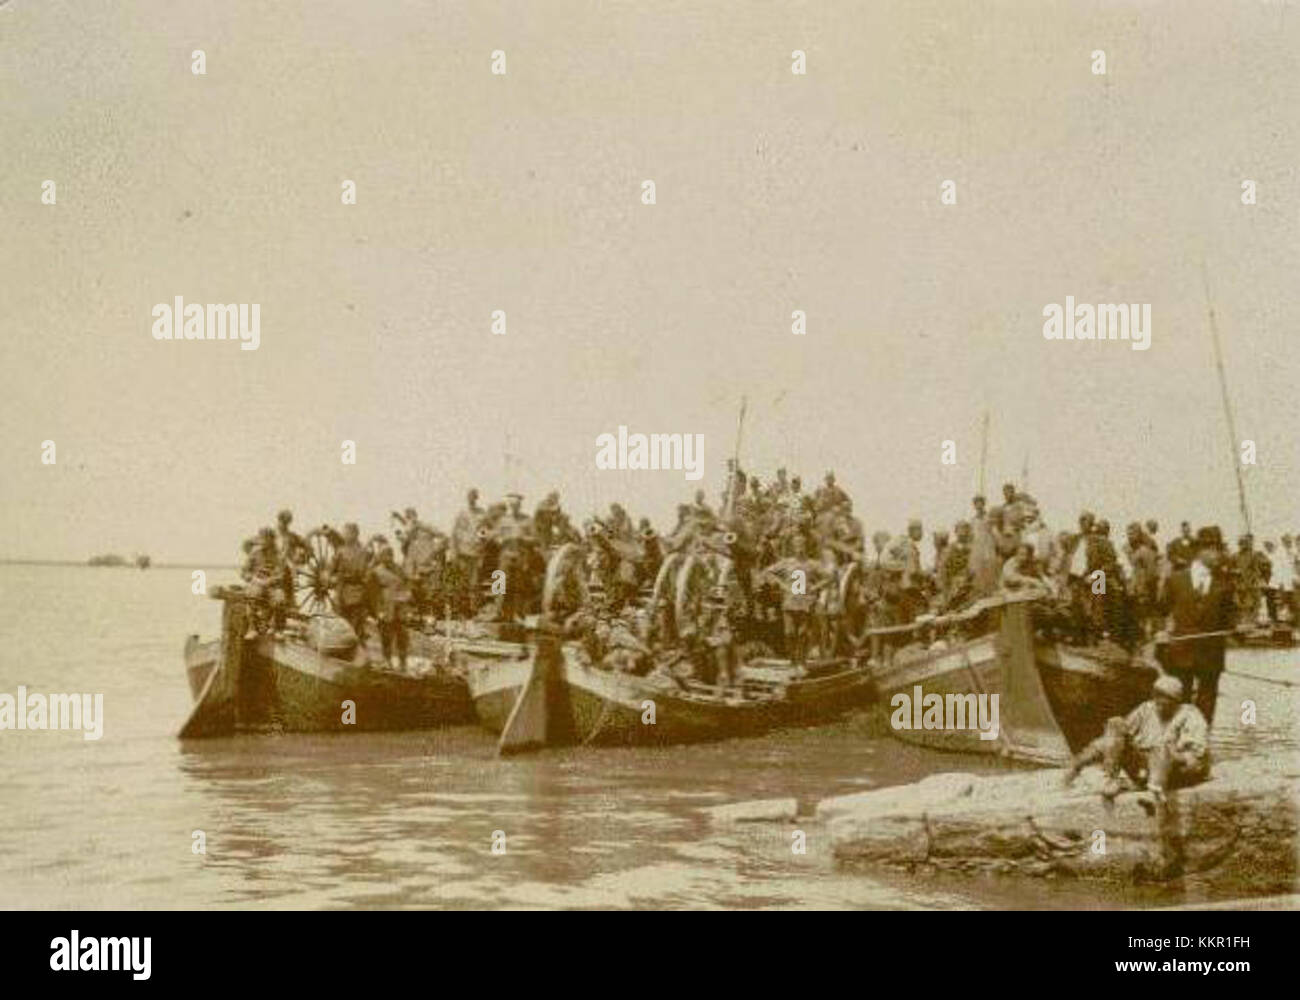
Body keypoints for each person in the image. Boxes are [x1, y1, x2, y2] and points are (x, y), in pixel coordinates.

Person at [1064, 674, 1210, 811]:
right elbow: (1115, 738)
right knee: (1115, 723)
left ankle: (1155, 791)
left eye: (1163, 697)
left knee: (1162, 750)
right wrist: (1079, 762)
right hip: (1144, 765)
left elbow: (1194, 757)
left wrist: (1169, 756)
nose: (1157, 700)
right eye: (1156, 695)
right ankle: (1110, 779)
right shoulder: (1146, 709)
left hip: (1174, 771)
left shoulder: (1189, 715)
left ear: (1175, 700)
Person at [1156, 527, 1233, 728]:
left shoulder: (1224, 584)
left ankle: (1200, 745)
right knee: (1180, 700)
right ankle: (1176, 741)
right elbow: (1160, 610)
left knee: (1207, 702)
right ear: (1202, 551)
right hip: (1181, 652)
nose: (1220, 555)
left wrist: (1237, 629)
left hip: (1211, 653)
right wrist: (1161, 632)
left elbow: (1228, 620)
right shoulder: (1176, 579)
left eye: (1220, 549)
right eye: (1216, 550)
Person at [763, 535, 828, 664]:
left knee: (802, 632)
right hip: (789, 601)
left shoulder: (812, 564)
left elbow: (829, 577)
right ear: (792, 547)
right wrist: (781, 585)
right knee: (789, 632)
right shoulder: (786, 562)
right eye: (796, 545)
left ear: (806, 547)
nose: (799, 548)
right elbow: (767, 572)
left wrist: (815, 587)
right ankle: (792, 658)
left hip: (805, 602)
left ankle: (801, 660)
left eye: (802, 544)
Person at [368, 544, 412, 670]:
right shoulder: (376, 572)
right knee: (386, 636)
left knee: (402, 635)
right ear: (381, 557)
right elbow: (373, 594)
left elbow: (407, 584)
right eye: (385, 555)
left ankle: (403, 662)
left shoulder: (399, 569)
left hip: (400, 608)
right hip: (386, 608)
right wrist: (378, 611)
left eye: (390, 555)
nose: (388, 558)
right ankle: (387, 660)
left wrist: (407, 595)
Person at [330, 522, 371, 640]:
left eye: (346, 533)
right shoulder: (361, 552)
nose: (343, 535)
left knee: (347, 624)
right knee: (348, 626)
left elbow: (332, 569)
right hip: (349, 592)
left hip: (348, 592)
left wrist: (332, 577)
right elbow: (332, 569)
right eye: (344, 532)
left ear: (354, 535)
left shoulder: (344, 551)